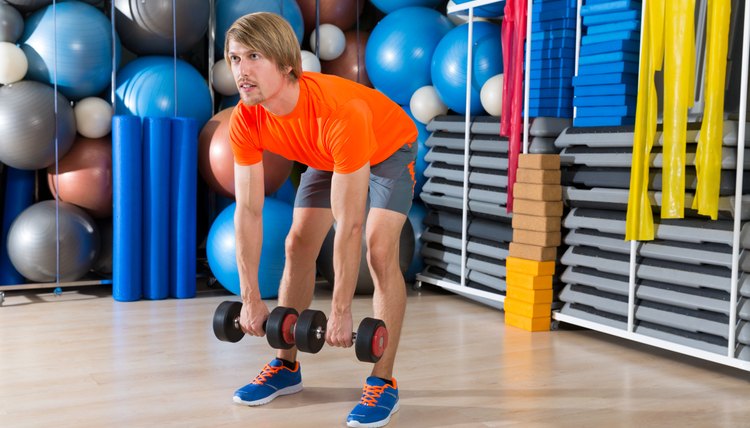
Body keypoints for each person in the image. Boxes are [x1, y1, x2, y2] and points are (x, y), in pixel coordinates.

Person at [225, 12, 418, 428]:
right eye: (235, 58)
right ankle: (285, 366)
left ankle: (383, 381)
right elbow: (248, 210)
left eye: (253, 56)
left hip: (384, 149)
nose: (242, 70)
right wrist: (250, 299)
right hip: (326, 155)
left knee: (379, 249)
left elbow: (347, 224)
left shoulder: (339, 111)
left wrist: (341, 309)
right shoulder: (245, 117)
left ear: (286, 62)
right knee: (297, 244)